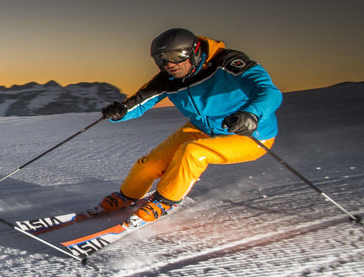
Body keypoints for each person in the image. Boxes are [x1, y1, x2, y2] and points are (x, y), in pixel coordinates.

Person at [91, 28, 283, 225]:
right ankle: (126, 197)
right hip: (201, 129)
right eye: (161, 59)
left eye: (176, 56)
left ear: (194, 51)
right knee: (150, 164)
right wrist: (121, 112)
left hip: (247, 133)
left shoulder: (227, 62)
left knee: (193, 152)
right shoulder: (168, 79)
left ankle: (165, 201)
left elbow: (267, 90)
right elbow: (140, 102)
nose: (169, 64)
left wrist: (251, 114)